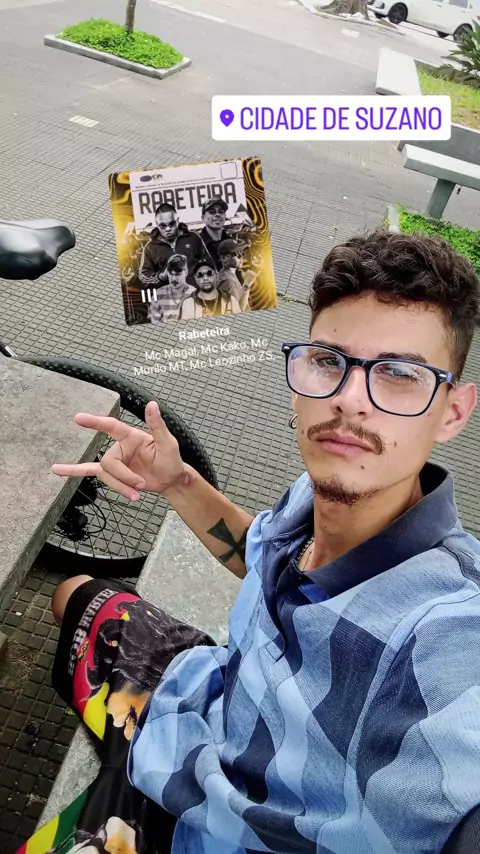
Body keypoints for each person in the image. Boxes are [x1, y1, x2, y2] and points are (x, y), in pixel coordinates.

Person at [26, 230, 480, 854]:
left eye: (400, 374)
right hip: (199, 704)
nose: (349, 400)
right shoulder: (314, 496)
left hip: (209, 831)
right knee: (73, 593)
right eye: (329, 360)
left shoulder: (444, 635)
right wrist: (177, 481)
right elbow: (261, 554)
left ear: (453, 411)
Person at [138, 203, 203, 287]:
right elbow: (143, 276)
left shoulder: (193, 238)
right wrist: (161, 276)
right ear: (157, 224)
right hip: (168, 293)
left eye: (172, 224)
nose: (168, 229)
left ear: (177, 220)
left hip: (195, 292)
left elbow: (208, 264)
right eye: (163, 225)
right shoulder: (150, 247)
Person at [146, 253, 196, 324]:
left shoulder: (194, 294)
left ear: (186, 272)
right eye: (171, 274)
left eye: (177, 274)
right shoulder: (158, 294)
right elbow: (155, 324)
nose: (174, 279)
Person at [216, 237, 259, 311]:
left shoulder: (229, 275)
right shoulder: (228, 282)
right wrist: (247, 283)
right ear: (223, 258)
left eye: (241, 252)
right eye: (235, 253)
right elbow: (239, 309)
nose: (241, 256)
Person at [198, 197, 232, 269]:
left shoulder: (232, 242)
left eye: (221, 211)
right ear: (203, 218)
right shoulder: (196, 244)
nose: (217, 214)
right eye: (212, 212)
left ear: (225, 216)